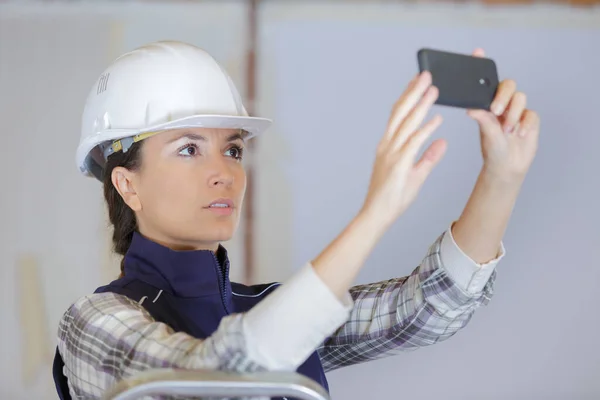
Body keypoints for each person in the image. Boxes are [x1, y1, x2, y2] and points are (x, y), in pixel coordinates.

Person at [52, 41, 539, 400]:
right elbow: (216, 375)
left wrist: (503, 174)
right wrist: (376, 213)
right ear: (126, 185)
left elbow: (426, 309)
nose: (224, 172)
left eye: (233, 149)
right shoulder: (95, 323)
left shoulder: (269, 308)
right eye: (188, 149)